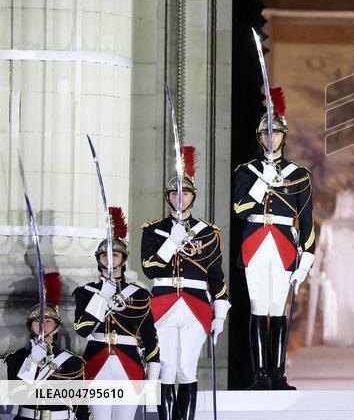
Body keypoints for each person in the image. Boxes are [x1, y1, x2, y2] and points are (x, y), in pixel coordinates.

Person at [232, 86, 315, 390]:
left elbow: (306, 222)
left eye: (276, 134)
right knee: (258, 307)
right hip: (255, 241)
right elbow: (240, 209)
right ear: (260, 137)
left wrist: (306, 261)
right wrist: (262, 181)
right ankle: (259, 375)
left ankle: (278, 375)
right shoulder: (247, 171)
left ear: (283, 136)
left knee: (278, 307)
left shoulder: (299, 174)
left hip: (282, 243)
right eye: (266, 134)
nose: (271, 138)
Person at [142, 146, 230, 420]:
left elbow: (216, 275)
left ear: (194, 196)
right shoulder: (153, 230)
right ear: (167, 197)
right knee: (167, 367)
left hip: (196, 304)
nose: (180, 197)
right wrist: (171, 241)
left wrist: (220, 315)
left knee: (187, 368)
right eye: (174, 193)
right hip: (164, 301)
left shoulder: (209, 233)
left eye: (186, 192)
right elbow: (149, 268)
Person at [74, 207, 160, 420]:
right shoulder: (86, 292)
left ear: (123, 258)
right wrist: (103, 293)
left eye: (115, 254)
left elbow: (149, 336)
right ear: (98, 259)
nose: (110, 259)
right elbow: (83, 329)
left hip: (129, 361)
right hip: (97, 358)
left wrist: (153, 378)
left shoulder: (139, 294)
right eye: (105, 255)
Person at [4, 272, 90, 420]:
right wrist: (32, 362)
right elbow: (16, 396)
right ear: (30, 326)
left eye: (48, 321)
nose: (42, 325)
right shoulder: (17, 358)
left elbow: (80, 406)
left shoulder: (72, 362)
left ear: (57, 325)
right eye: (37, 321)